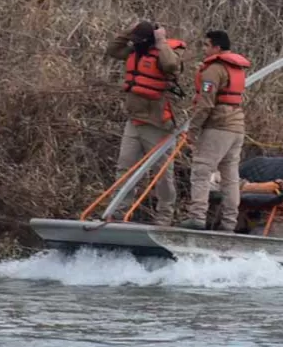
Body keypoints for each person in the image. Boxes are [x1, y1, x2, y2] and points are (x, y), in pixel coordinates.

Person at [105, 20, 187, 225]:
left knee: (162, 173)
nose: (136, 44)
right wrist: (128, 31)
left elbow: (171, 65)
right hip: (134, 121)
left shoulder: (165, 53)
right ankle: (118, 212)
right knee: (124, 167)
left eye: (140, 40)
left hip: (158, 124)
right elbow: (113, 50)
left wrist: (161, 41)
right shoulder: (134, 52)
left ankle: (164, 216)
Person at [179, 30, 251, 231]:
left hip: (218, 127)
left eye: (206, 45)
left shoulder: (213, 70)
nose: (203, 49)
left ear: (216, 47)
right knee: (230, 177)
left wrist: (192, 129)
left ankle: (197, 217)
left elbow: (206, 104)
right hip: (237, 126)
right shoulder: (236, 69)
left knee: (201, 171)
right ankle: (229, 222)